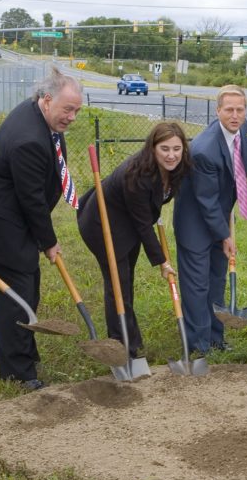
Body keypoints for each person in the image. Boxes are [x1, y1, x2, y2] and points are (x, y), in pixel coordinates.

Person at [0, 66, 83, 390]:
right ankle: (18, 374)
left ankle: (25, 354)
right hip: (0, 225)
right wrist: (49, 241)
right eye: (67, 109)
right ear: (46, 100)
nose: (72, 117)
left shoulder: (40, 118)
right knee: (15, 296)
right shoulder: (28, 139)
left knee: (28, 288)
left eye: (77, 110)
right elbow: (31, 199)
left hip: (14, 219)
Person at [79, 122, 188, 360]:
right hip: (102, 224)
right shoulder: (137, 175)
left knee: (126, 281)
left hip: (128, 222)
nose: (171, 155)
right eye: (165, 149)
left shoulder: (176, 169)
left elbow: (146, 216)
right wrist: (161, 261)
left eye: (176, 149)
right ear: (153, 148)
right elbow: (142, 224)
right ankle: (121, 347)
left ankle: (132, 340)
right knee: (118, 284)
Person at [173, 86, 247, 356]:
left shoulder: (242, 134)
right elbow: (206, 200)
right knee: (197, 286)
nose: (234, 115)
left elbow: (231, 184)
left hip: (219, 217)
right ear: (217, 111)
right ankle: (199, 344)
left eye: (239, 109)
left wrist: (227, 229)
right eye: (228, 109)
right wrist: (225, 236)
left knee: (216, 281)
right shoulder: (204, 149)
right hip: (195, 224)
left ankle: (216, 338)